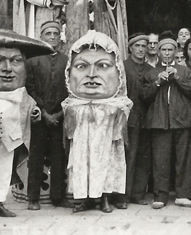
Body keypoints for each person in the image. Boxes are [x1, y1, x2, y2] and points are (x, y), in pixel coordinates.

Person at [0, 30, 52, 220]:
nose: (8, 68)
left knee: (4, 169)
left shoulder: (22, 95)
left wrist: (35, 112)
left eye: (15, 61)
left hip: (12, 136)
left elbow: (31, 108)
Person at [62, 31, 133, 213]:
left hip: (105, 136)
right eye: (82, 66)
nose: (92, 74)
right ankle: (84, 199)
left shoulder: (118, 105)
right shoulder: (71, 105)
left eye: (102, 66)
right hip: (82, 137)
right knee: (80, 162)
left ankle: (104, 198)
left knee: (105, 162)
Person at [140, 31, 191, 209]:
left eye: (170, 49)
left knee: (184, 159)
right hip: (159, 121)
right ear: (158, 51)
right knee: (160, 160)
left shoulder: (185, 70)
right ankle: (160, 196)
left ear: (176, 51)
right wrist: (158, 81)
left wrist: (177, 78)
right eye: (163, 49)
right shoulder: (151, 72)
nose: (167, 53)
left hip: (182, 120)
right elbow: (144, 96)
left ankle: (183, 195)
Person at [25, 21, 72, 210]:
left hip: (60, 117)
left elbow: (71, 89)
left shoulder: (67, 61)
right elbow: (29, 88)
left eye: (55, 33)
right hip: (39, 117)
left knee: (59, 156)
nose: (52, 37)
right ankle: (33, 198)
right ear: (41, 36)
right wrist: (44, 112)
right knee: (36, 158)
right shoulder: (32, 60)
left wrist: (59, 113)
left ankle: (58, 197)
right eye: (48, 34)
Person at [122, 33, 153, 205]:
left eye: (143, 46)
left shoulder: (150, 69)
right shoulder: (124, 67)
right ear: (130, 48)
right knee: (129, 156)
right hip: (129, 118)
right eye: (137, 46)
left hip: (146, 119)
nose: (141, 49)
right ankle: (124, 195)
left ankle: (138, 194)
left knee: (143, 157)